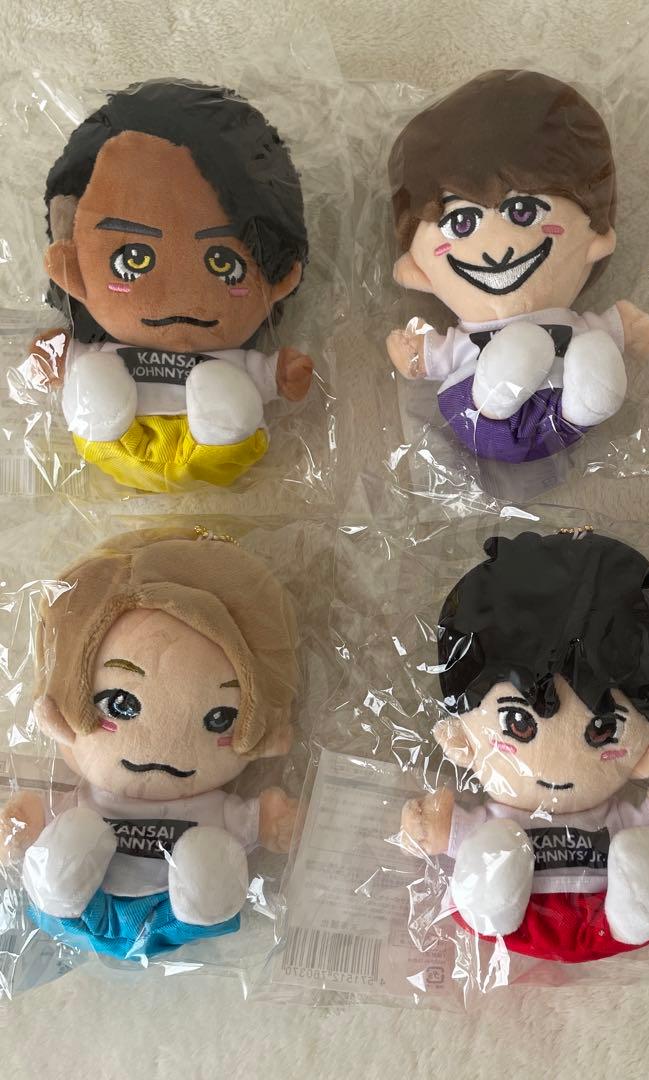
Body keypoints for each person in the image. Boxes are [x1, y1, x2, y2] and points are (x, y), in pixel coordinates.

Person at [400, 530, 649, 963]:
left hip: (607, 917)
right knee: (495, 847)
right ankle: (492, 901)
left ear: (647, 754)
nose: (559, 765)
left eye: (603, 730)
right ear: (462, 741)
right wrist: (433, 828)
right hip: (510, 918)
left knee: (640, 854)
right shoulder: (498, 818)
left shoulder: (617, 818)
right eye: (518, 723)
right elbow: (453, 833)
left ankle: (636, 911)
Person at [0, 528, 300, 958]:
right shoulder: (86, 799)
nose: (163, 748)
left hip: (175, 915)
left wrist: (275, 821)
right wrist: (20, 823)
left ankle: (203, 902)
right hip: (79, 906)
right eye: (120, 704)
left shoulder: (215, 806)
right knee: (74, 835)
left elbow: (257, 822)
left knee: (208, 858)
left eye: (219, 718)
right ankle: (60, 891)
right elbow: (42, 814)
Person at [28, 79, 313, 490]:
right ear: (71, 267)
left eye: (224, 264)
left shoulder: (231, 359)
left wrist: (282, 374)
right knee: (94, 377)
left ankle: (220, 427)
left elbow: (268, 376)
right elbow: (57, 362)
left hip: (219, 453)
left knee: (225, 393)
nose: (181, 294)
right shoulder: (104, 346)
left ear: (278, 281)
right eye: (133, 260)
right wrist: (54, 357)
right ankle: (108, 416)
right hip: (111, 442)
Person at [386, 69, 649, 464]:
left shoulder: (577, 328)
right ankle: (502, 386)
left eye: (524, 211)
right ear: (418, 272)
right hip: (478, 414)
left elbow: (615, 330)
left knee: (591, 351)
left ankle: (588, 401)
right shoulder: (465, 342)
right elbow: (433, 359)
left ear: (594, 241)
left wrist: (624, 328)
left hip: (564, 415)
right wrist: (415, 355)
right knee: (532, 352)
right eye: (462, 223)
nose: (499, 249)